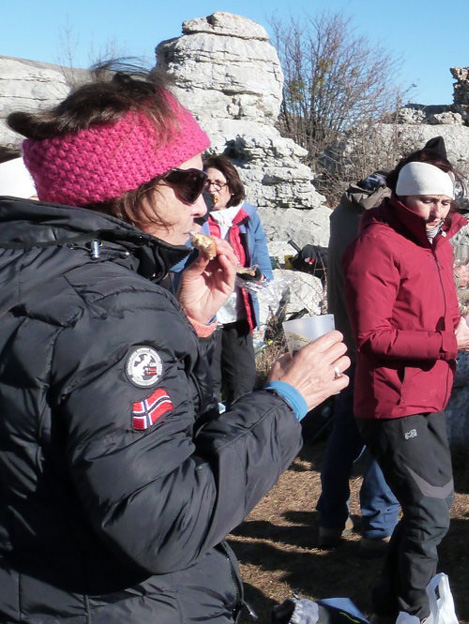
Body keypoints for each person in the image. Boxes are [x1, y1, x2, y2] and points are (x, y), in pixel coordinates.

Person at [0, 66, 350, 623]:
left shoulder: (27, 272)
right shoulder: (114, 310)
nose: (202, 206)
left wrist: (187, 324)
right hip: (112, 603)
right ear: (126, 185)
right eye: (189, 184)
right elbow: (164, 523)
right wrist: (287, 399)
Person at [344, 154, 469, 620]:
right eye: (426, 201)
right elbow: (371, 337)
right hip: (392, 399)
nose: (437, 212)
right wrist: (449, 343)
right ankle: (412, 612)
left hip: (430, 392)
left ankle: (389, 605)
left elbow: (444, 319)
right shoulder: (375, 246)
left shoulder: (438, 245)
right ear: (401, 197)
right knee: (430, 513)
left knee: (433, 506)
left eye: (445, 202)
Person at [315, 167, 399, 551]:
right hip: (382, 342)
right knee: (387, 433)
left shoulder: (342, 212)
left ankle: (330, 520)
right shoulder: (385, 217)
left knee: (345, 430)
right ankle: (379, 526)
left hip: (347, 340)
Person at [201, 154, 274, 403]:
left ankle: (239, 426)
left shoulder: (248, 218)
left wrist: (255, 275)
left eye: (217, 183)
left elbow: (264, 268)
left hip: (239, 314)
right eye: (206, 182)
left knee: (242, 383)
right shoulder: (195, 218)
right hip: (206, 315)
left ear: (231, 187)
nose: (211, 188)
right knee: (208, 386)